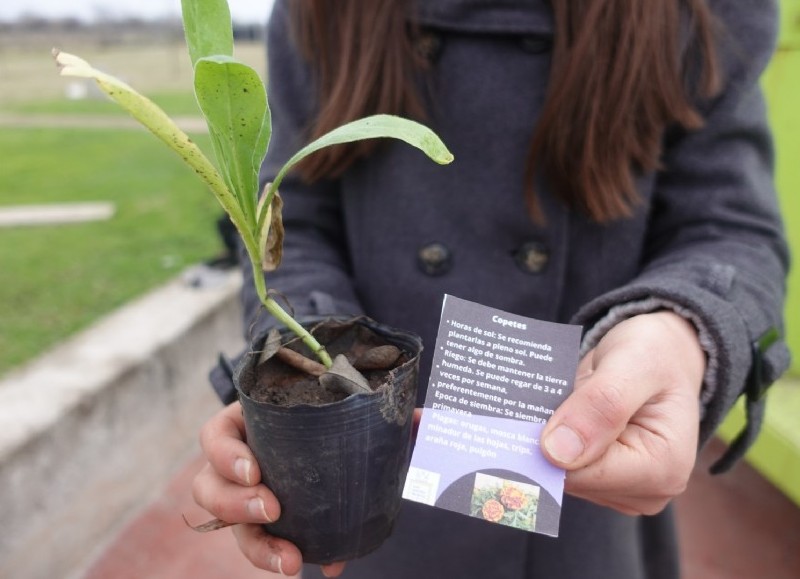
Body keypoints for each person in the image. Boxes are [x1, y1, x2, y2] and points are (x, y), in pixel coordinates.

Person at [193, 0, 791, 577]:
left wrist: (678, 330)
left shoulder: (700, 9)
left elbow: (731, 228)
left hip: (581, 498)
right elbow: (292, 221)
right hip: (371, 486)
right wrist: (298, 380)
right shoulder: (322, 7)